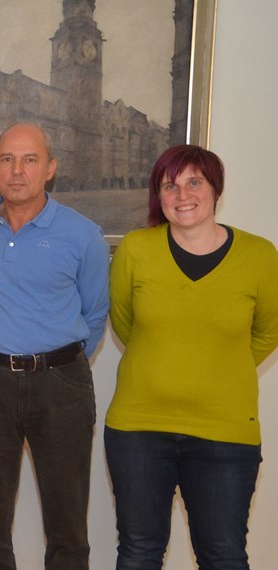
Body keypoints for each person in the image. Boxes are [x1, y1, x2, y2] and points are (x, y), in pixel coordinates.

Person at [105, 145, 278, 569]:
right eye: (170, 185)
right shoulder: (135, 250)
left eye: (194, 182)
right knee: (139, 552)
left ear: (215, 188)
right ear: (159, 196)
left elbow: (268, 332)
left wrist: (220, 366)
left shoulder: (260, 256)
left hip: (225, 434)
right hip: (138, 430)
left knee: (222, 556)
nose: (182, 194)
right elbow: (125, 324)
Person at [0, 123, 109, 569]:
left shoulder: (83, 235)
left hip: (61, 383)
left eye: (30, 160)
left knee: (67, 522)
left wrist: (60, 365)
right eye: (7, 159)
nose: (17, 170)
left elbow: (95, 314)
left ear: (50, 169)